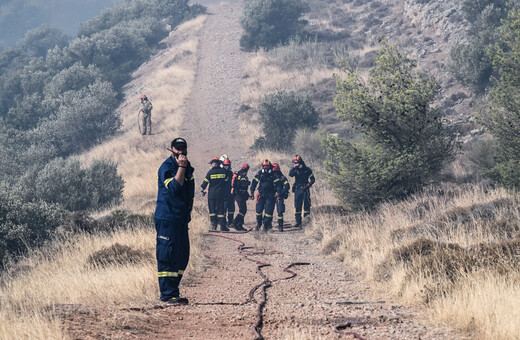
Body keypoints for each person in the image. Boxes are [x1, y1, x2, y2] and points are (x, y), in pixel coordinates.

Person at [154, 137, 194, 305]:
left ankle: (174, 292)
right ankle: (167, 294)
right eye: (177, 148)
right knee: (167, 255)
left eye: (183, 148)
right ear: (171, 150)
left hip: (180, 219)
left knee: (182, 256)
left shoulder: (188, 167)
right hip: (167, 218)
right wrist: (181, 167)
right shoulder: (168, 167)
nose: (180, 151)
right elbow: (175, 187)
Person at [250, 160, 282, 232]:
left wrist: (278, 193)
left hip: (270, 195)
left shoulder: (273, 174)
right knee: (258, 211)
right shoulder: (260, 173)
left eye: (267, 167)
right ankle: (259, 223)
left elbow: (279, 185)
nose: (266, 168)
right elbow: (254, 182)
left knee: (268, 212)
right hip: (261, 194)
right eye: (264, 167)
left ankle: (266, 226)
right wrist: (252, 192)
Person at [201, 157, 229, 232]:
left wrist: (202, 190)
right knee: (221, 210)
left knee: (212, 210)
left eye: (211, 164)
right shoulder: (224, 171)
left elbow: (205, 183)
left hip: (211, 195)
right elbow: (226, 183)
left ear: (214, 164)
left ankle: (214, 225)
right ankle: (222, 226)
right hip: (220, 194)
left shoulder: (210, 172)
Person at [289, 155, 315, 228]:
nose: (296, 164)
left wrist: (308, 185)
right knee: (297, 205)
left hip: (305, 189)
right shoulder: (295, 170)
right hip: (297, 189)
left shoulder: (307, 170)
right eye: (295, 163)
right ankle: (298, 222)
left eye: (297, 163)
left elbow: (313, 179)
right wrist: (294, 167)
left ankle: (306, 222)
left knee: (306, 205)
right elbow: (290, 175)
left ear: (300, 162)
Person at [231, 163, 251, 231]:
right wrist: (248, 182)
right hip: (240, 194)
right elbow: (242, 183)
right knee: (243, 210)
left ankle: (239, 224)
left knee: (242, 210)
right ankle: (236, 223)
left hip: (238, 194)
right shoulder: (243, 174)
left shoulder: (239, 173)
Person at [272, 163, 290, 232]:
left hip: (279, 196)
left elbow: (287, 186)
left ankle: (280, 226)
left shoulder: (282, 177)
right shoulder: (270, 176)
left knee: (280, 212)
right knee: (269, 211)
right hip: (271, 196)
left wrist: (280, 193)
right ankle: (267, 225)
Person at [221, 158, 235, 228]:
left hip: (230, 194)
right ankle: (223, 222)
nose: (227, 167)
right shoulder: (222, 173)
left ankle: (230, 221)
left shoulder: (231, 173)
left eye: (228, 165)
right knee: (224, 209)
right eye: (225, 165)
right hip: (224, 194)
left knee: (231, 208)